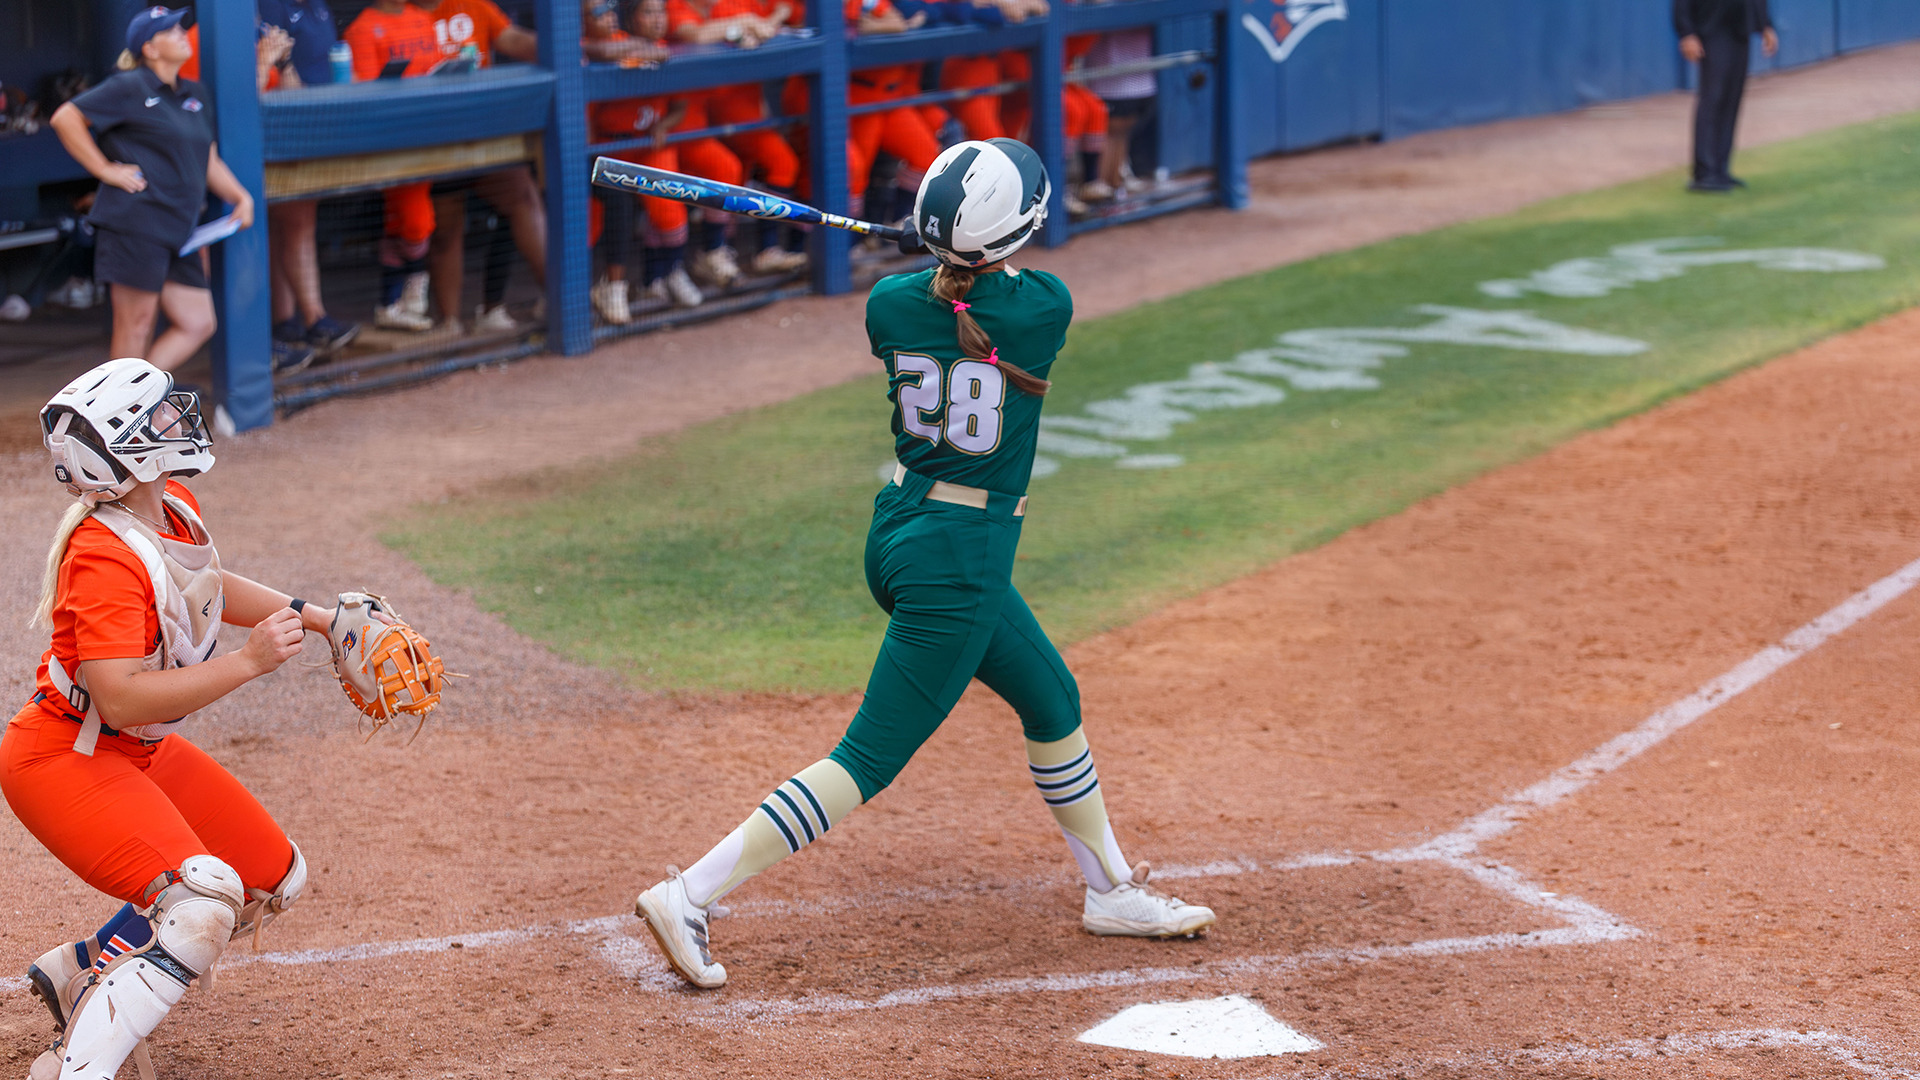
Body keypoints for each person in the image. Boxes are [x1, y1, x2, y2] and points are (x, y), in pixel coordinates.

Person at [633, 140, 1216, 990]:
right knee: (864, 760)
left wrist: (941, 262)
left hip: (902, 530)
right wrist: (957, 261)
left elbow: (933, 299)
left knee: (1051, 697)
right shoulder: (1043, 308)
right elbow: (1000, 293)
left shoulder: (888, 303)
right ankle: (691, 891)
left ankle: (1110, 890)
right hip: (962, 560)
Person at [8, 358, 341, 1079]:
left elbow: (205, 585)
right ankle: (72, 1071)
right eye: (157, 416)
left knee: (269, 872)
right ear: (128, 451)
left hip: (128, 748)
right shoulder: (99, 552)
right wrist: (247, 663)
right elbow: (121, 696)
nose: (175, 420)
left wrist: (318, 617)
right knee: (202, 900)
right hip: (66, 755)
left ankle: (81, 971)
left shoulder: (170, 504)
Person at [47, 8, 255, 374]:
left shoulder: (194, 93)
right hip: (136, 223)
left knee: (198, 321)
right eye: (169, 31)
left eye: (179, 27)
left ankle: (141, 401)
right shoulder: (130, 85)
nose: (180, 33)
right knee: (136, 327)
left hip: (179, 230)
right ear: (150, 48)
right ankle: (121, 423)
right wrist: (105, 169)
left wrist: (241, 195)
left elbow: (208, 159)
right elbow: (65, 118)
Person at [344, 0, 443, 331]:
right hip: (392, 138)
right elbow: (367, 94)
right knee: (416, 222)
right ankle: (414, 287)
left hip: (432, 131)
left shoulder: (422, 19)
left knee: (400, 220)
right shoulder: (361, 27)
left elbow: (441, 72)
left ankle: (391, 304)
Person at [1674, 0, 1777, 192]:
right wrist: (1686, 33)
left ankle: (1721, 169)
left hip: (1740, 27)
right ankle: (1704, 173)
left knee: (1731, 98)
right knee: (1713, 98)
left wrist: (1766, 25)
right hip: (1711, 27)